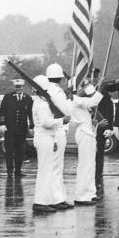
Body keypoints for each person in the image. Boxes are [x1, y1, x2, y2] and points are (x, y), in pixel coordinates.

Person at [30, 75, 63, 213]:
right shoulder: (42, 104)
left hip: (46, 138)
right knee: (44, 171)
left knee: (47, 171)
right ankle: (40, 202)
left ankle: (46, 200)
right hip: (43, 138)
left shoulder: (40, 102)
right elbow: (46, 123)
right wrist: (62, 121)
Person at [42, 63, 73, 209]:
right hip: (58, 130)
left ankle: (57, 197)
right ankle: (57, 199)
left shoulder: (46, 90)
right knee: (57, 167)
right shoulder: (59, 92)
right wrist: (70, 98)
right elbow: (67, 111)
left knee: (54, 166)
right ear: (61, 78)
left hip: (52, 130)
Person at [69, 81, 103, 204]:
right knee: (85, 165)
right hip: (84, 134)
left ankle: (90, 193)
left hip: (88, 133)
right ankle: (81, 196)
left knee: (90, 165)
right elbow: (94, 101)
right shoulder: (75, 99)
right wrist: (101, 87)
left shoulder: (80, 101)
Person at [0, 79, 33, 176]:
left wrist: (31, 126)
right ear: (14, 87)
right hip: (10, 129)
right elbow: (2, 111)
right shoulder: (8, 97)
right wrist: (2, 123)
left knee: (20, 151)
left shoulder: (28, 98)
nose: (18, 88)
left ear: (23, 87)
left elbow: (30, 114)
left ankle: (18, 170)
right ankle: (9, 170)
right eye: (17, 87)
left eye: (20, 86)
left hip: (21, 130)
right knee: (9, 151)